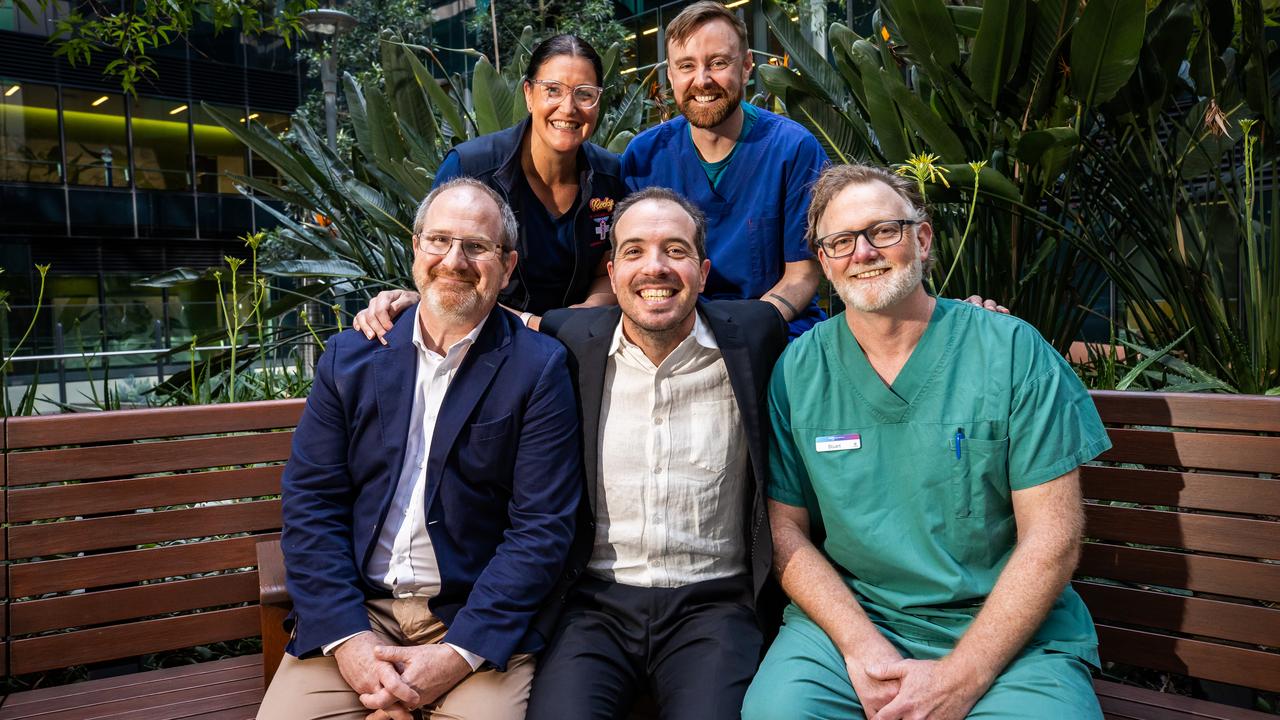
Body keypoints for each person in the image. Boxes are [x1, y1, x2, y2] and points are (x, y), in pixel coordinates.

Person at [741, 164, 1110, 720]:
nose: (862, 253)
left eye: (883, 231)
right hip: (855, 625)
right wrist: (862, 648)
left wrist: (963, 677)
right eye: (840, 241)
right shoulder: (800, 370)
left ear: (923, 237)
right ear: (823, 260)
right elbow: (784, 529)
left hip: (1007, 636)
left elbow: (1052, 537)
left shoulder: (1010, 352)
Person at [258, 178, 583, 720]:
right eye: (439, 241)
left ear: (507, 267)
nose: (454, 260)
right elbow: (312, 506)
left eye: (477, 247)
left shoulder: (538, 368)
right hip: (357, 615)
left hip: (472, 621)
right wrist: (351, 645)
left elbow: (542, 529)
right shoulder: (350, 358)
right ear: (416, 249)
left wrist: (457, 655)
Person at [527, 187, 789, 720]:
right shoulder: (572, 336)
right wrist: (410, 301)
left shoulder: (754, 336)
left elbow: (862, 330)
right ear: (613, 269)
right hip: (596, 607)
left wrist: (961, 315)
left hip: (714, 606)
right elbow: (490, 318)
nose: (655, 268)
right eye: (634, 251)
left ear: (703, 270)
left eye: (675, 250)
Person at [363, 34, 627, 332]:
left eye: (584, 93)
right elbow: (444, 273)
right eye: (552, 90)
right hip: (486, 342)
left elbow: (610, 267)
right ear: (528, 94)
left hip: (581, 341)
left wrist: (583, 316)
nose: (568, 108)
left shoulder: (610, 175)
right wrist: (536, 325)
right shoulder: (471, 169)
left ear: (598, 101)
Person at [621, 1, 827, 338]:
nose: (702, 80)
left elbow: (802, 274)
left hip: (772, 328)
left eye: (718, 63)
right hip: (673, 332)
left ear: (746, 67)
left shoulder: (793, 150)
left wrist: (740, 331)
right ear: (670, 75)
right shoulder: (644, 157)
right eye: (686, 66)